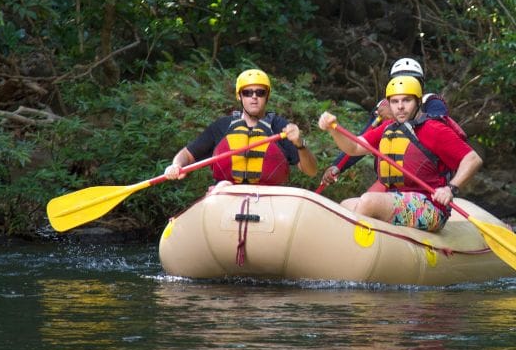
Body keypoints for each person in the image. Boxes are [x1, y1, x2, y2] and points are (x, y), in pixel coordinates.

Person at [317, 75, 481, 232]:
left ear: (418, 102)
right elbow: (353, 148)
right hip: (397, 197)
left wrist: (450, 189)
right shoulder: (388, 127)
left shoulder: (434, 129)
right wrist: (334, 129)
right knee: (345, 205)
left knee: (368, 201)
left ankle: (354, 244)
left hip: (431, 207)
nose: (400, 106)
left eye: (406, 100)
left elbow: (473, 159)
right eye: (395, 101)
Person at [318, 57, 465, 191]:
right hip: (391, 177)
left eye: (411, 80)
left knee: (369, 203)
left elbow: (439, 126)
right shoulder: (384, 106)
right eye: (399, 79)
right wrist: (338, 165)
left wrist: (395, 115)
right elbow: (362, 141)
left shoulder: (431, 102)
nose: (404, 84)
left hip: (426, 177)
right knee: (363, 202)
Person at [164, 68, 317, 189]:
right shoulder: (222, 126)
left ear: (267, 96)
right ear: (240, 96)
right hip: (227, 193)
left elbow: (311, 171)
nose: (254, 97)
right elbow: (187, 155)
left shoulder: (280, 127)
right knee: (222, 186)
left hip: (269, 197)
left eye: (260, 92)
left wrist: (300, 144)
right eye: (247, 92)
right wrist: (176, 165)